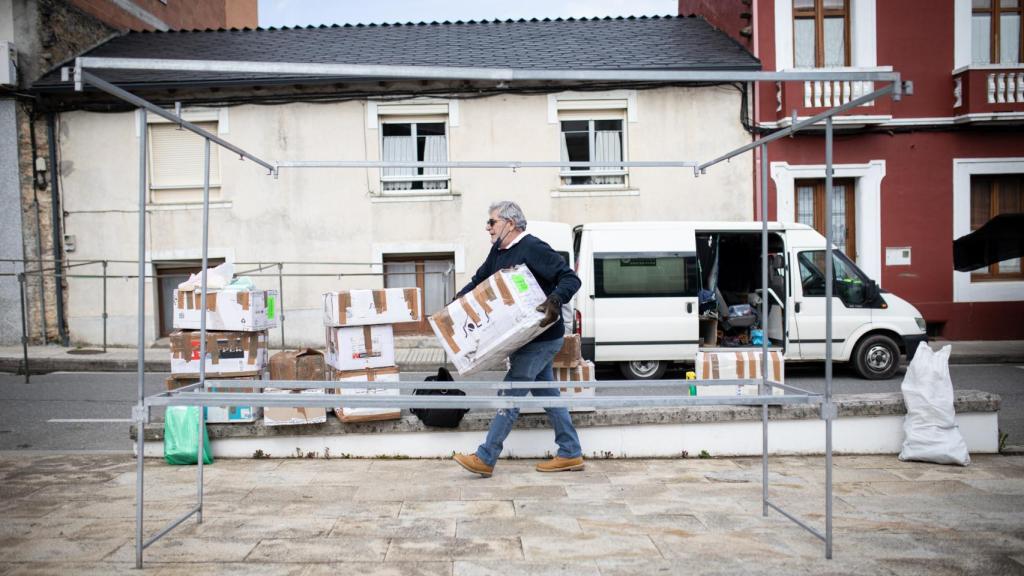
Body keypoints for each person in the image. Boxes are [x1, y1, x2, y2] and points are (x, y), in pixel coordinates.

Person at [452, 201, 584, 478]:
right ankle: (570, 451)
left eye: (492, 222)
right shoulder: (498, 252)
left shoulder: (533, 247)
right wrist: (457, 303)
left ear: (510, 224)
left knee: (509, 394)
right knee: (548, 394)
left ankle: (486, 457)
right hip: (523, 338)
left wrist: (555, 300)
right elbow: (480, 279)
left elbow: (570, 278)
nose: (487, 228)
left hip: (542, 337)